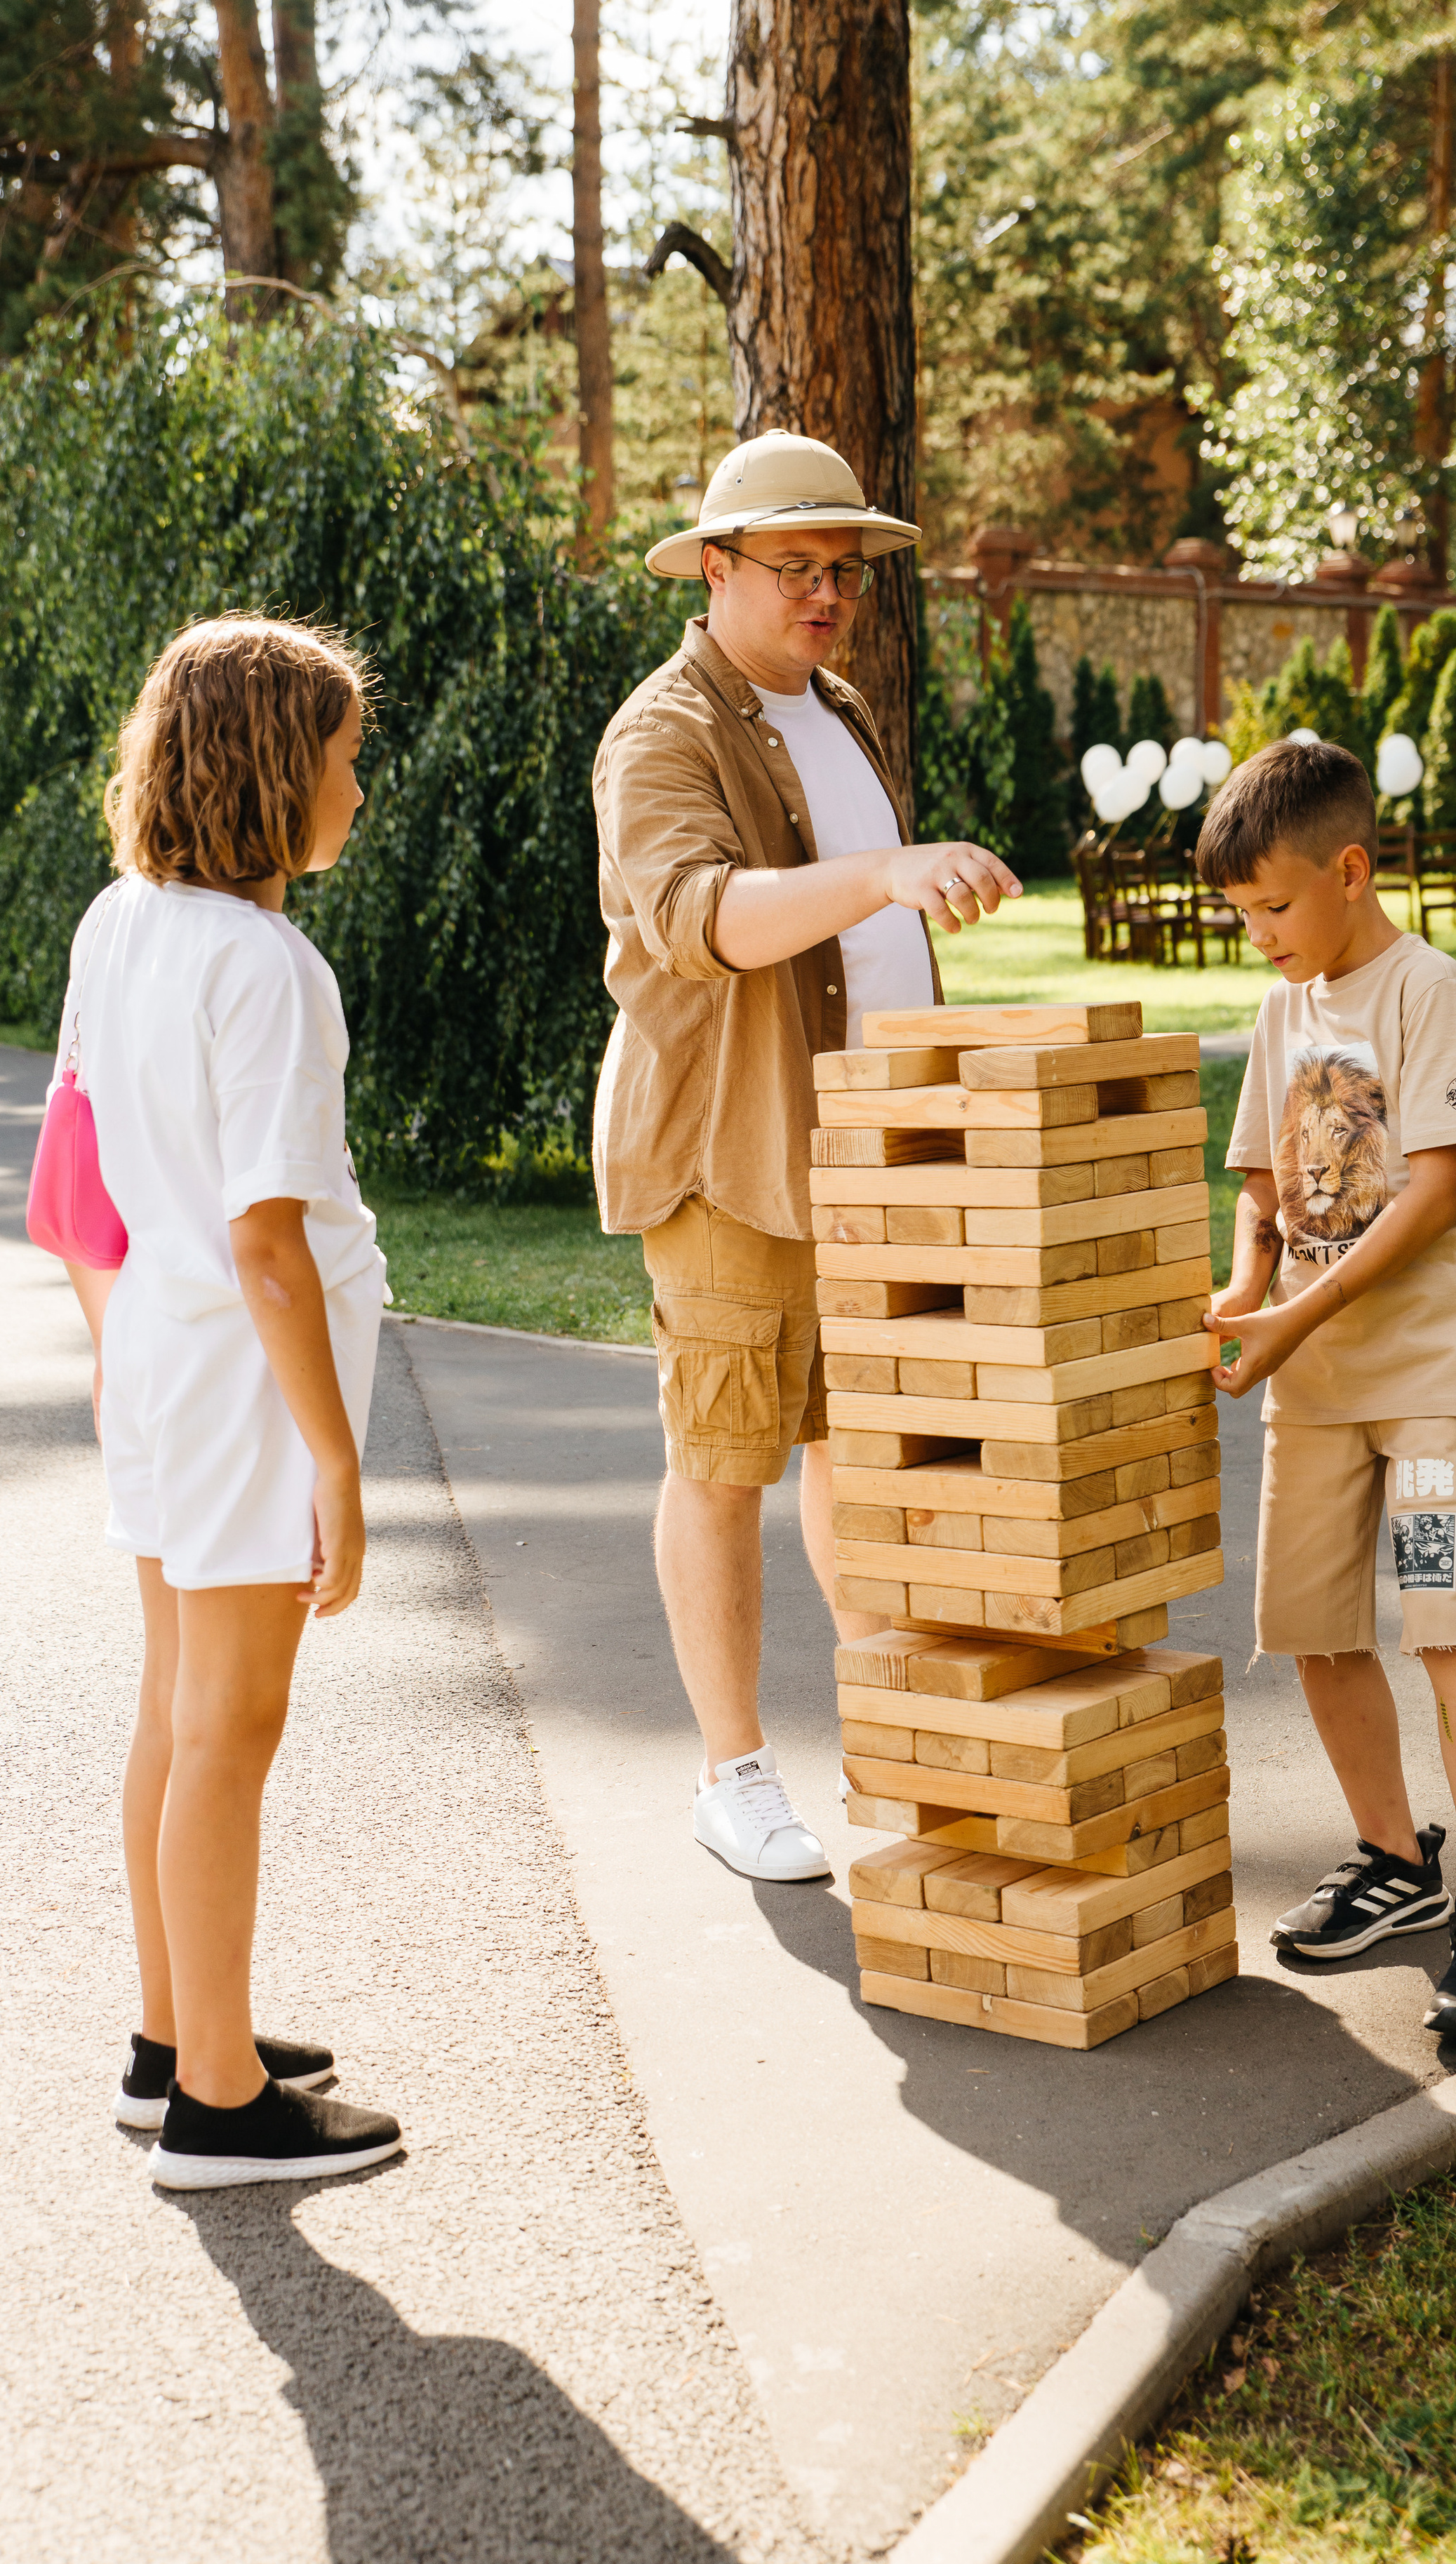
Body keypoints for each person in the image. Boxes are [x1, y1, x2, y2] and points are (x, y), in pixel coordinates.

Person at [591, 429, 1020, 1883]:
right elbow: (699, 919)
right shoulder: (662, 732)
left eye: (845, 569)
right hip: (734, 1161)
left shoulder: (835, 709)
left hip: (873, 1159)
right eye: (796, 567)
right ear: (714, 569)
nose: (828, 593)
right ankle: (734, 1776)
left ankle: (894, 1739)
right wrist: (885, 872)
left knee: (857, 1451)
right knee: (724, 1462)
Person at [53, 615, 404, 2184]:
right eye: (343, 758)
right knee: (230, 1729)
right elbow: (269, 1242)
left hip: (159, 1357)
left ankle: (170, 2040)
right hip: (243, 1384)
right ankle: (216, 2100)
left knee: (174, 1710)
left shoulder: (118, 921)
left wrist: (117, 1352)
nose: (356, 789)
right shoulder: (269, 969)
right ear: (274, 769)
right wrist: (337, 1463)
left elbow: (78, 1174)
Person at [1199, 739, 1456, 2038]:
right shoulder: (1281, 1010)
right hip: (1315, 1381)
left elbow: (1439, 1186)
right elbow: (1260, 1181)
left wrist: (1295, 1314)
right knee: (1315, 1625)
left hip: (1426, 1376)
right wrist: (1248, 1285)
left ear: (1349, 871)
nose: (1260, 936)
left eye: (1273, 907)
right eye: (1242, 915)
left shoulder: (1426, 990)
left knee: (1446, 1622)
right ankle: (1396, 1860)